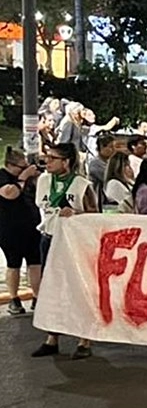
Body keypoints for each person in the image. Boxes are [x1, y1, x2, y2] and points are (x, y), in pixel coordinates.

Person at [32, 143, 97, 358]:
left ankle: (84, 339)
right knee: (51, 288)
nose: (47, 162)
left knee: (78, 288)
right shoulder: (43, 180)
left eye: (53, 158)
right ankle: (52, 337)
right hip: (49, 237)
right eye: (47, 157)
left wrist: (77, 214)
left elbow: (95, 214)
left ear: (66, 162)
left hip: (73, 242)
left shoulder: (81, 185)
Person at [0, 147, 43, 315]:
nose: (24, 169)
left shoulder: (28, 179)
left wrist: (35, 177)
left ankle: (37, 296)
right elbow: (10, 194)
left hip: (32, 226)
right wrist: (23, 177)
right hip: (10, 228)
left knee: (35, 263)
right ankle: (13, 298)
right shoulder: (3, 176)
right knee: (14, 263)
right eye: (21, 166)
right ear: (11, 165)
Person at [88, 133, 117, 206]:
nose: (114, 150)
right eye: (111, 147)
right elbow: (108, 178)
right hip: (99, 201)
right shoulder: (95, 163)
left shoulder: (109, 162)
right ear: (101, 147)